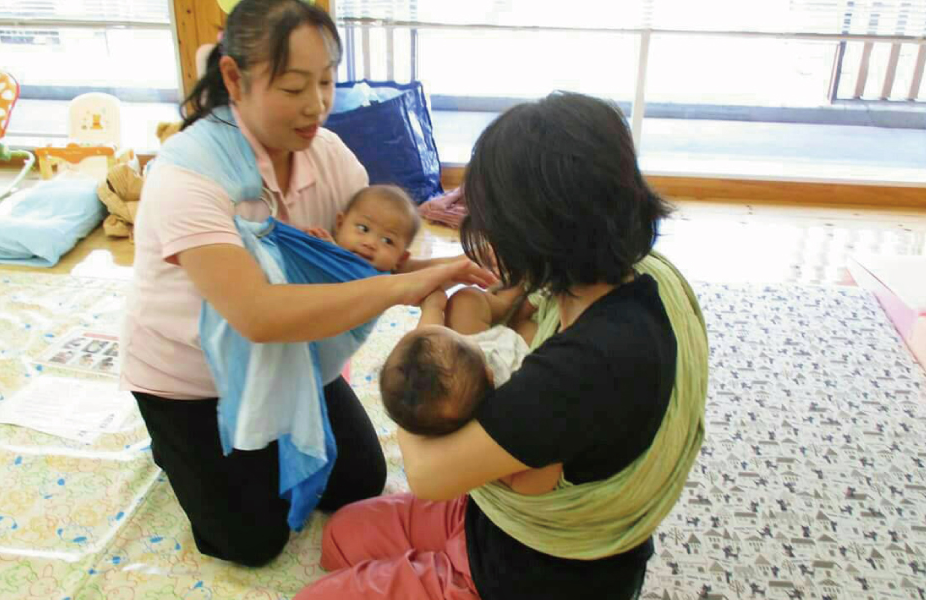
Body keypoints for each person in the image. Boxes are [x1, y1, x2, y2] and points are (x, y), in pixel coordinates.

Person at [119, 0, 491, 568]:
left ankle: (249, 449)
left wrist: (448, 270)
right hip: (193, 380)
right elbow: (257, 315)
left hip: (294, 357)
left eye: (326, 82)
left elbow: (370, 266)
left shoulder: (332, 157)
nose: (316, 105)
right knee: (250, 542)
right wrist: (405, 287)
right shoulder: (187, 175)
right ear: (234, 78)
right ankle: (174, 447)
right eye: (294, 88)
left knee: (360, 483)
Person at [296, 92, 708, 600]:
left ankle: (456, 574)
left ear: (539, 231)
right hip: (489, 522)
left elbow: (427, 472)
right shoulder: (630, 273)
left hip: (530, 576)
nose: (485, 236)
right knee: (340, 535)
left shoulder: (581, 369)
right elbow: (490, 306)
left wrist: (427, 326)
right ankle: (448, 548)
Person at [380, 287, 561, 496]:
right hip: (530, 357)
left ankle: (515, 296)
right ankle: (520, 303)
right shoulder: (505, 420)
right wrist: (554, 452)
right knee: (530, 332)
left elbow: (425, 336)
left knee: (465, 300)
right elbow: (527, 484)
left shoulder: (456, 377)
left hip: (494, 345)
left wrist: (433, 307)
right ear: (490, 374)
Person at [305, 184, 421, 272]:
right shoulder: (331, 253)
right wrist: (325, 247)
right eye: (363, 228)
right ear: (340, 225)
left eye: (387, 241)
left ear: (400, 259)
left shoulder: (386, 284)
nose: (370, 243)